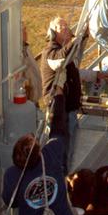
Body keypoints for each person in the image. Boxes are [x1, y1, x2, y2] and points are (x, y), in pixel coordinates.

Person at [40, 16, 84, 160]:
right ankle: (61, 173)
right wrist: (73, 41)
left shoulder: (64, 50)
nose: (65, 28)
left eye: (66, 25)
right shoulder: (50, 51)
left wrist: (84, 35)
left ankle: (65, 172)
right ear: (53, 32)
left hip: (68, 106)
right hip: (57, 106)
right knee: (59, 144)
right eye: (60, 26)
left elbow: (73, 57)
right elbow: (61, 60)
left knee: (69, 145)